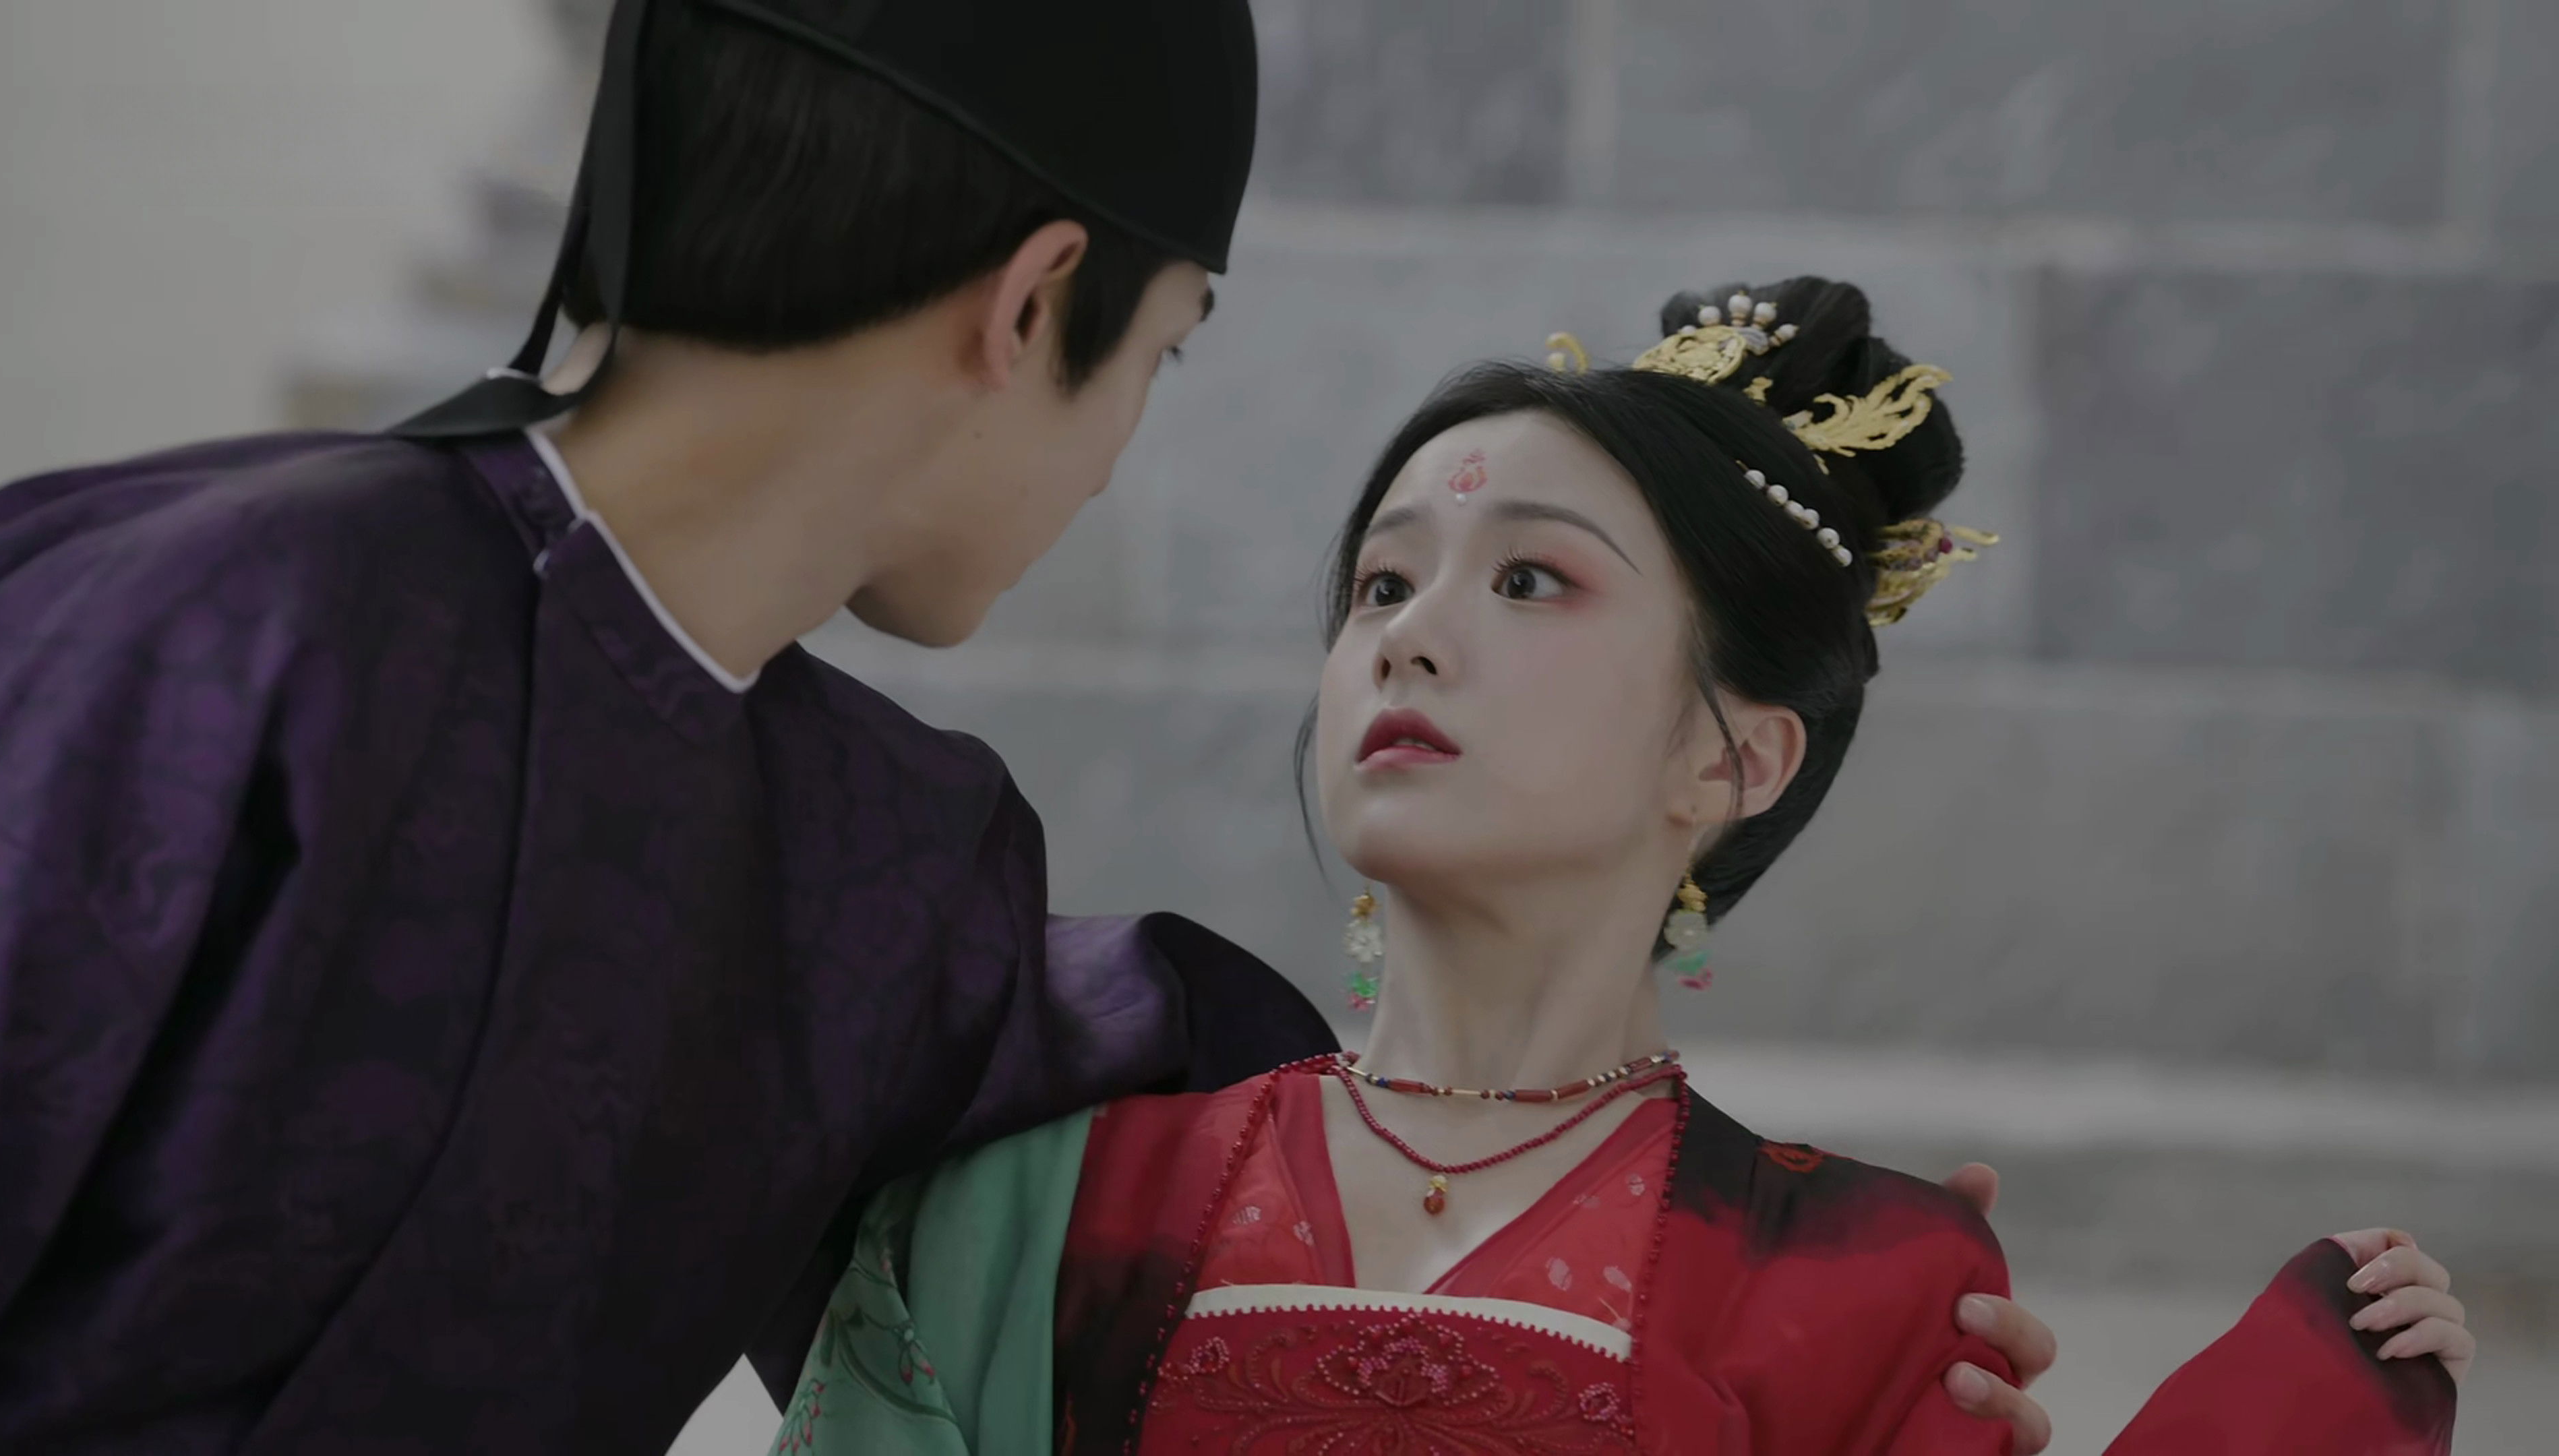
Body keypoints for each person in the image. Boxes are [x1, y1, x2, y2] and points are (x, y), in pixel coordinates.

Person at [774, 278, 2473, 1455]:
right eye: (1382, 586)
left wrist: (2317, 1396)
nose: (1409, 637)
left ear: (1731, 758)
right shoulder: (1056, 1199)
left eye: (1531, 581)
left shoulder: (1863, 1282)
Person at [0, 3, 1333, 1451]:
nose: (1117, 459)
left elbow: (1207, 1115)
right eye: (1163, 354)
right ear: (1034, 304)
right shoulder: (204, 628)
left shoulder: (895, 861)